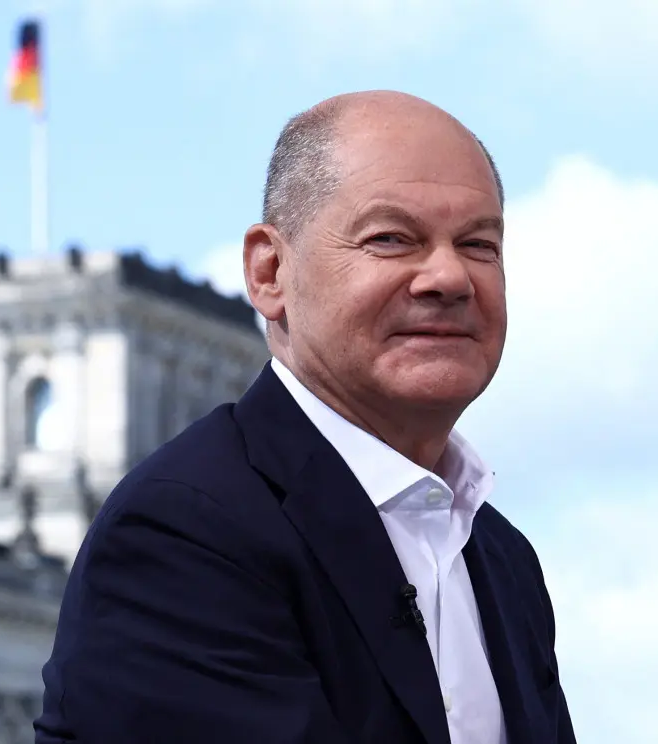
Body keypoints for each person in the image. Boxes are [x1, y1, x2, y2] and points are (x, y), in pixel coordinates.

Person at [34, 90, 576, 744]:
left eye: (478, 244)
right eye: (392, 239)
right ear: (270, 272)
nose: (448, 277)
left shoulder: (503, 558)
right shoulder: (180, 535)